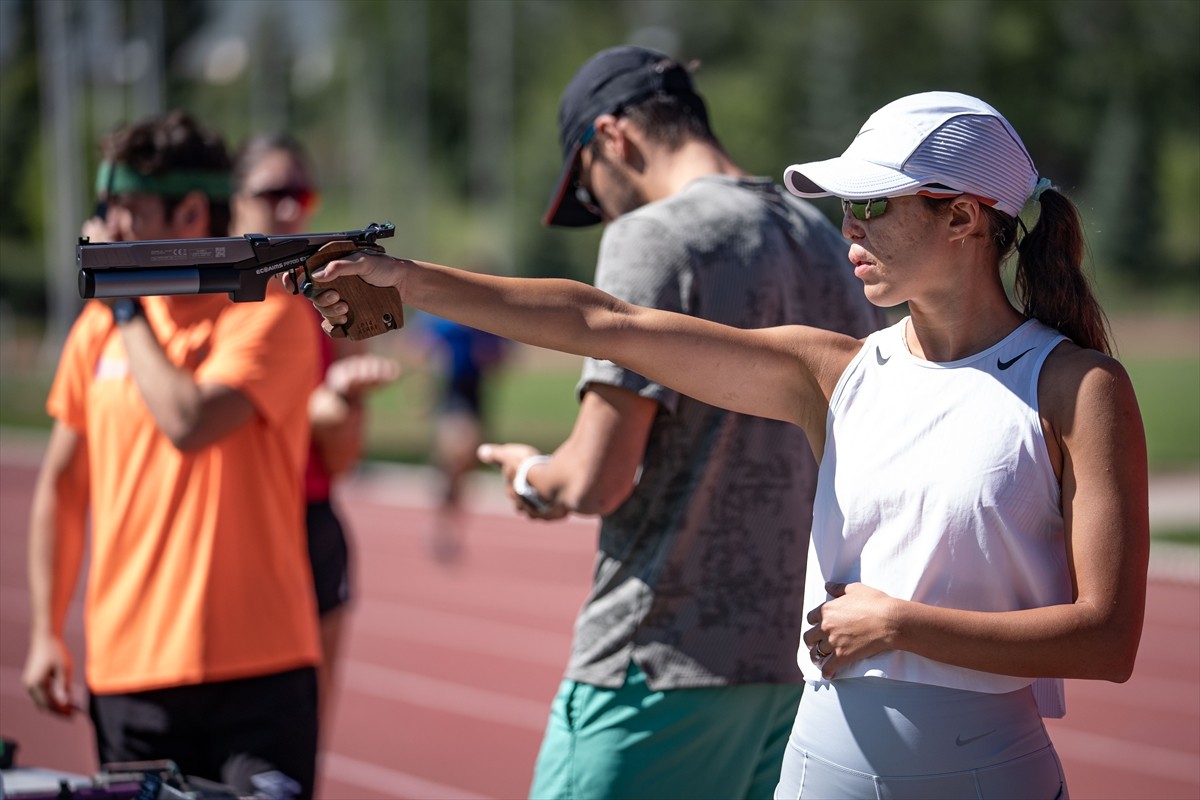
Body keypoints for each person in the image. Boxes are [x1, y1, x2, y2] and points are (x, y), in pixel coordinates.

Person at [304, 90, 1149, 799]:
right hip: (820, 771)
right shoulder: (834, 372)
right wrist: (410, 280)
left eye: (869, 205)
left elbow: (1106, 641)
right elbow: (609, 321)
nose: (847, 229)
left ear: (962, 216)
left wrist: (903, 626)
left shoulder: (1080, 389)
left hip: (991, 776)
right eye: (844, 208)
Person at [333, 45, 880, 799]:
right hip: (798, 665)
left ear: (614, 137)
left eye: (592, 188)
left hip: (660, 659)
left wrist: (531, 475)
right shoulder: (828, 238)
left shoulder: (654, 235)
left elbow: (597, 477)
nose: (605, 214)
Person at [24, 111, 323, 800]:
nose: (108, 229)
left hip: (260, 668)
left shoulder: (268, 313)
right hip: (130, 672)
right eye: (109, 209)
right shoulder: (96, 331)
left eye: (129, 210)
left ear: (193, 211)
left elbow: (189, 422)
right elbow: (64, 486)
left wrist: (127, 306)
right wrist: (46, 630)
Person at [231, 133, 400, 731]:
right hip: (233, 528)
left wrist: (345, 407)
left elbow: (343, 461)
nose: (289, 209)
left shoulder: (324, 300)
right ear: (232, 198)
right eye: (272, 192)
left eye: (299, 193)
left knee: (303, 731)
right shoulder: (212, 305)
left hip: (309, 519)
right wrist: (313, 411)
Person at [416, 312, 508, 563]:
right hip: (452, 395)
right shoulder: (448, 321)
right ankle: (444, 521)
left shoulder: (485, 322)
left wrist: (490, 354)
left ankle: (449, 521)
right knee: (458, 453)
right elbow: (423, 346)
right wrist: (425, 387)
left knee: (463, 468)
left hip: (475, 396)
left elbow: (499, 358)